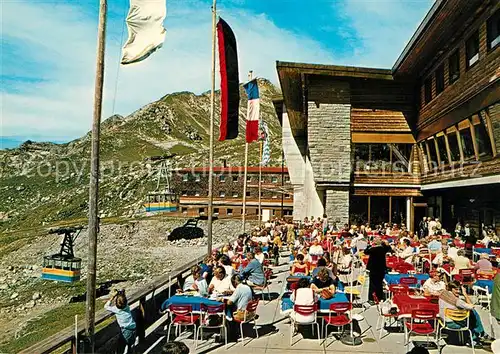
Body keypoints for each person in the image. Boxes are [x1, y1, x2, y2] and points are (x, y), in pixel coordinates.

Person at [439, 280, 489, 347]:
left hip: (444, 321)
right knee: (472, 314)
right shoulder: (457, 301)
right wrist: (465, 294)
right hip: (453, 324)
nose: (458, 291)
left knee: (471, 315)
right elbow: (471, 306)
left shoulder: (443, 294)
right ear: (451, 289)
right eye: (456, 289)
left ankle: (480, 333)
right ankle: (476, 337)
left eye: (459, 289)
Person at [104, 290, 136, 354]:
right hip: (133, 328)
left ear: (116, 303)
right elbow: (123, 300)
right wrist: (122, 294)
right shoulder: (127, 306)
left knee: (121, 346)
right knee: (130, 345)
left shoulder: (116, 309)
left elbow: (106, 307)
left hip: (125, 330)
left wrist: (112, 297)